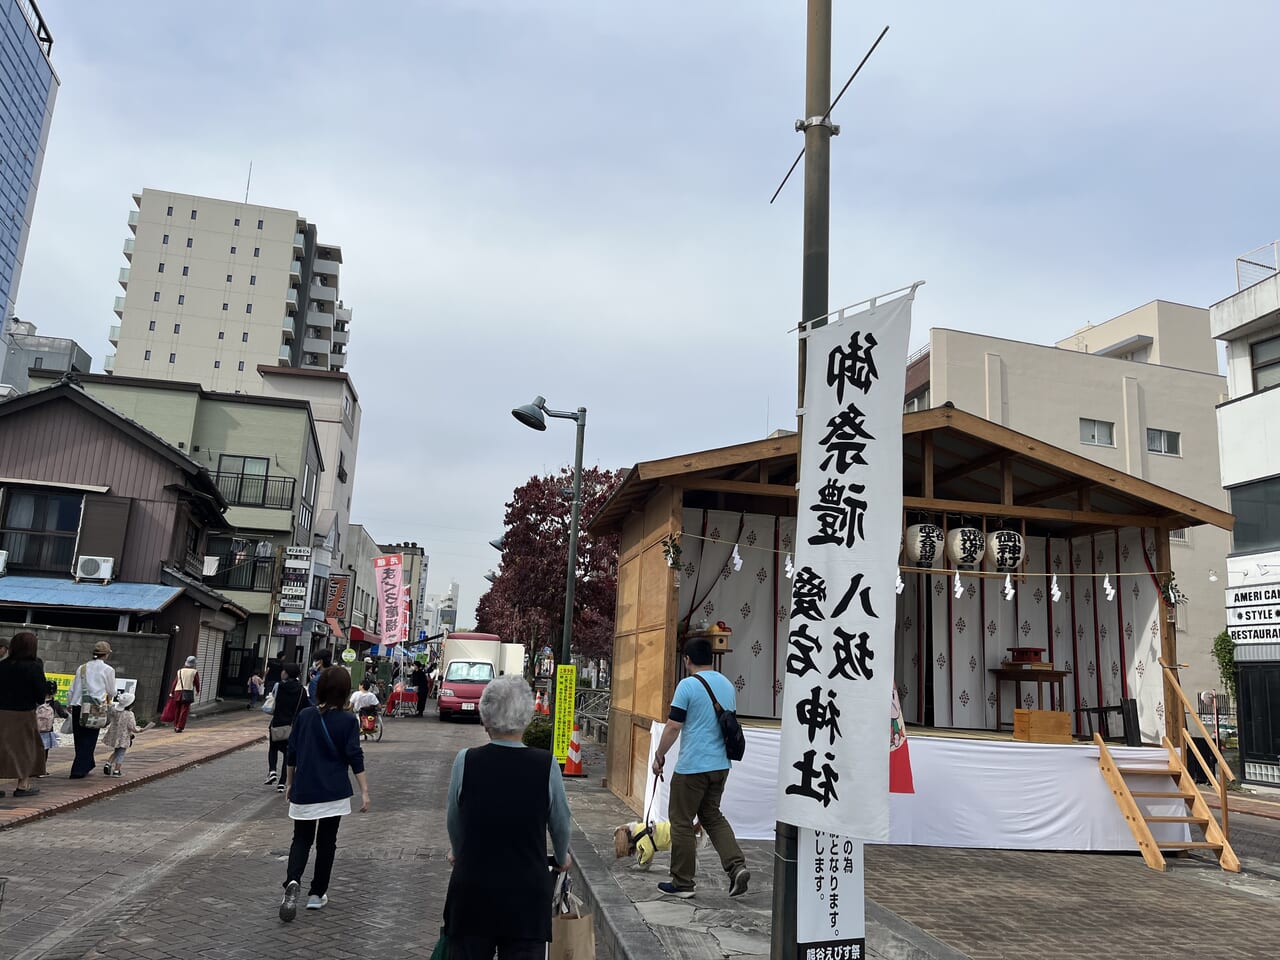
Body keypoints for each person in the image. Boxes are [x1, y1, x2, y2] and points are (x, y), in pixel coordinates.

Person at [444, 675, 571, 959]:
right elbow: (560, 822)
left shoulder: (466, 760)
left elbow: (454, 818)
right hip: (527, 894)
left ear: (485, 719)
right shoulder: (545, 764)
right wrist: (562, 857)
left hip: (472, 890)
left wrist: (457, 851)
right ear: (527, 718)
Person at [651, 636, 749, 899]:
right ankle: (736, 866)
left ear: (687, 660)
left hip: (693, 766)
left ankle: (683, 882)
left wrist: (659, 755)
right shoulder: (727, 685)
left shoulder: (687, 685)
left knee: (681, 822)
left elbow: (673, 726)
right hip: (721, 766)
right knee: (712, 816)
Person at [278, 666, 369, 922]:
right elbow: (354, 755)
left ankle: (292, 881)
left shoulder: (305, 716)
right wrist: (364, 790)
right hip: (334, 792)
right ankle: (317, 894)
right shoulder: (348, 720)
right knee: (327, 843)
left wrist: (289, 783)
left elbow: (292, 752)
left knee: (301, 840)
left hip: (305, 789)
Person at [0, 631, 48, 798]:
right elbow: (40, 695)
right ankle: (22, 785)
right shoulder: (34, 666)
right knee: (26, 749)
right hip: (23, 714)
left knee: (2, 748)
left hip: (1, 713)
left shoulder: (2, 665)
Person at [67, 640, 116, 779]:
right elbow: (111, 690)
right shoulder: (108, 670)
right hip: (95, 707)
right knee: (90, 738)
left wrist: (69, 703)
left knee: (80, 737)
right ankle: (78, 769)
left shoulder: (81, 667)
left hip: (78, 705)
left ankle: (87, 764)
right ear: (106, 654)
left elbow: (72, 689)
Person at [267, 663, 310, 793]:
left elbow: (272, 701)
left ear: (286, 673)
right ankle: (282, 783)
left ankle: (272, 770)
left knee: (273, 748)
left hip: (277, 723)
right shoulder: (302, 690)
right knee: (288, 754)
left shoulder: (279, 686)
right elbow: (305, 707)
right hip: (293, 726)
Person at [102, 691, 139, 777]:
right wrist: (139, 730)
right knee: (121, 753)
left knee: (116, 751)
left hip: (115, 735)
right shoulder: (129, 714)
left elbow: (109, 710)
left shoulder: (114, 711)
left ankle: (108, 763)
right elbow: (132, 727)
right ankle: (116, 770)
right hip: (124, 737)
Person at [35, 681, 68, 773]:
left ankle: (31, 769)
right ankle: (41, 770)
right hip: (48, 731)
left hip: (35, 729)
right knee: (45, 751)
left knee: (34, 750)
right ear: (55, 692)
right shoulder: (55, 703)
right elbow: (63, 714)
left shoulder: (37, 702)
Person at [168, 656, 201, 733]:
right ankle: (180, 727)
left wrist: (171, 692)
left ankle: (175, 725)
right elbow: (197, 682)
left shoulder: (179, 671)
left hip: (177, 691)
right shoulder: (194, 672)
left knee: (177, 710)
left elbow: (175, 682)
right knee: (184, 710)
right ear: (193, 664)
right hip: (188, 692)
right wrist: (197, 691)